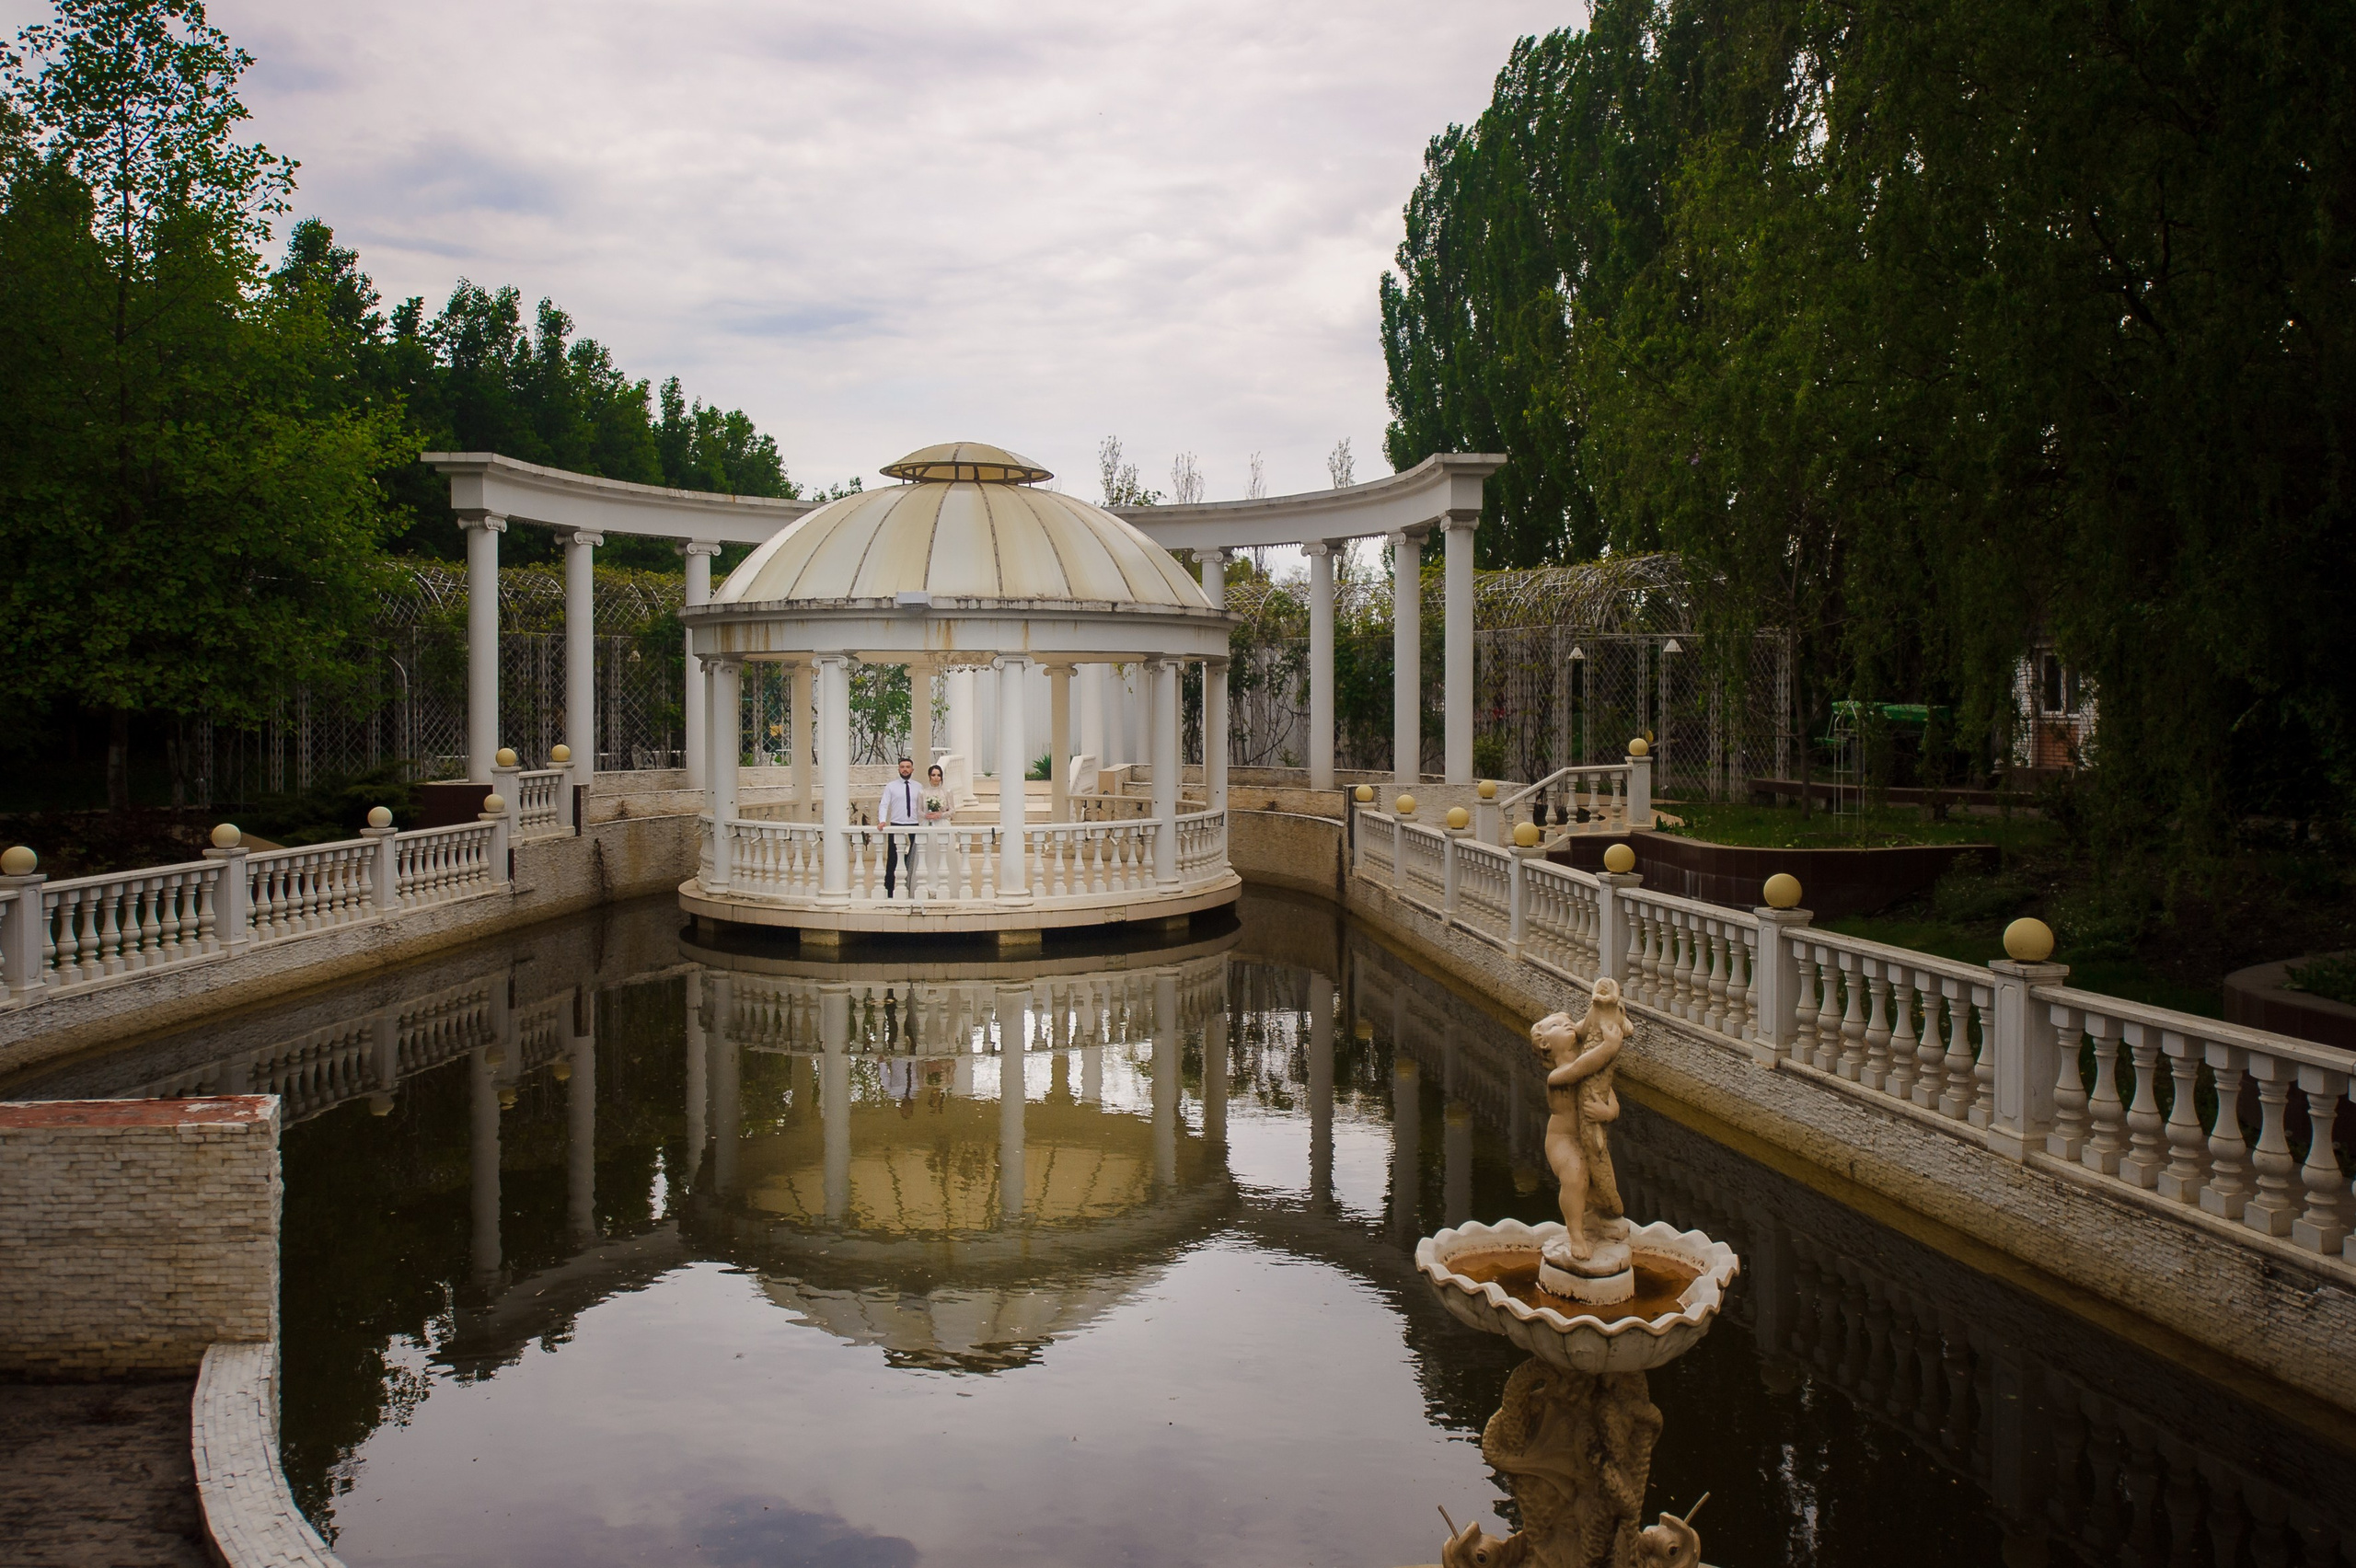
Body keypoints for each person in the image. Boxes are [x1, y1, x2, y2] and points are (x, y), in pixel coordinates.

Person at [878, 755, 921, 897]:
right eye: (902, 767)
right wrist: (882, 820)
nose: (905, 769)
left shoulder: (918, 786)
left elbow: (922, 806)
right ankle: (889, 890)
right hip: (897, 825)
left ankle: (912, 888)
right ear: (898, 769)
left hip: (914, 825)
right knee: (893, 859)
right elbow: (884, 804)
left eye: (907, 767)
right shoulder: (891, 786)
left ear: (912, 769)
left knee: (914, 859)